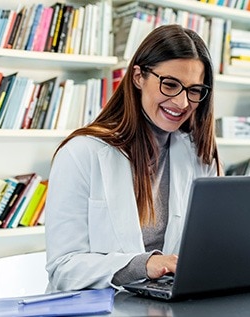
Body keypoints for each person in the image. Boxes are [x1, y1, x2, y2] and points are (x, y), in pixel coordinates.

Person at [44, 24, 222, 291]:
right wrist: (142, 265)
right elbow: (63, 269)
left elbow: (210, 246)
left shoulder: (198, 155)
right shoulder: (81, 153)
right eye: (171, 84)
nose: (183, 103)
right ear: (139, 76)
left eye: (194, 91)